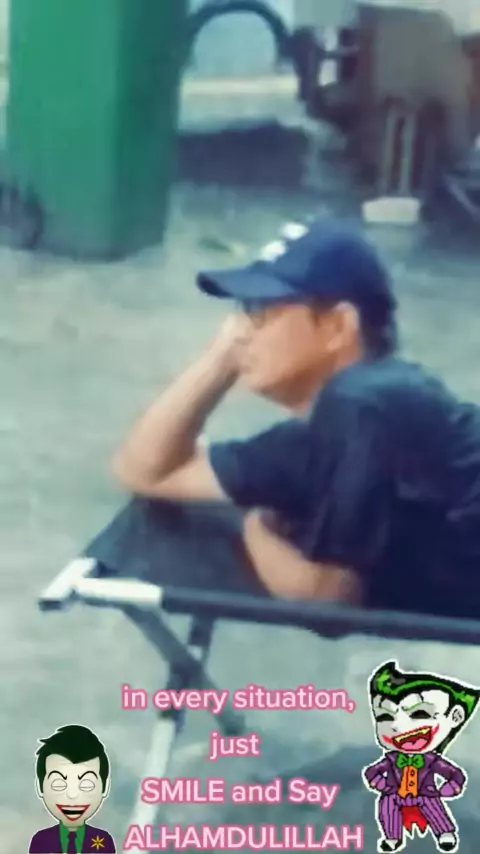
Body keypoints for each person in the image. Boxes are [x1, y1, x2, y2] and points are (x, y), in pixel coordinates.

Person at [112, 219, 480, 618]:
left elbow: (326, 602)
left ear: (337, 326)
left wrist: (254, 526)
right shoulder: (328, 430)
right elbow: (148, 471)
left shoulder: (363, 403)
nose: (239, 332)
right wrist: (220, 359)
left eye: (261, 312)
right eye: (242, 311)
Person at [29, 725, 116, 853]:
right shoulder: (41, 840)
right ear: (40, 786)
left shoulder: (103, 840)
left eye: (86, 785)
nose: (72, 795)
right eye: (59, 785)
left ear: (105, 786)